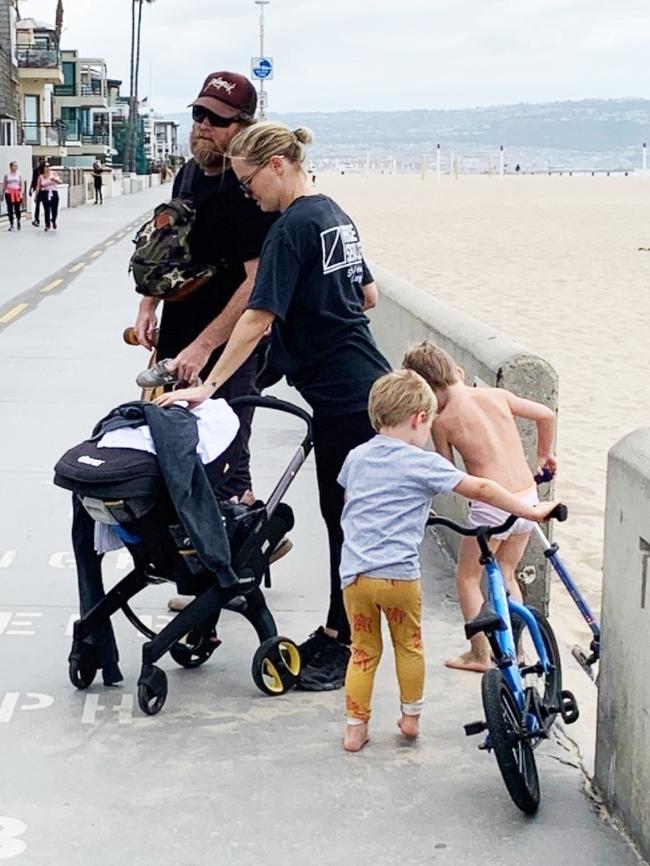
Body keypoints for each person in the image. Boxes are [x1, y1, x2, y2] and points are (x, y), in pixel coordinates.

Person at [155, 120, 390, 691]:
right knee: (347, 520)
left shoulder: (288, 230)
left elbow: (257, 317)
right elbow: (367, 295)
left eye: (249, 180)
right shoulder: (333, 214)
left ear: (278, 166)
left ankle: (347, 643)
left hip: (343, 399)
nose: (247, 193)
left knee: (345, 523)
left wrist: (209, 386)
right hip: (368, 383)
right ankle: (340, 632)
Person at [338, 369, 560, 751]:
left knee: (363, 651)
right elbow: (483, 487)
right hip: (399, 577)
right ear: (420, 419)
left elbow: (353, 505)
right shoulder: (422, 462)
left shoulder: (356, 457)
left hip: (355, 575)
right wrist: (533, 512)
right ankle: (410, 719)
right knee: (408, 646)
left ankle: (355, 729)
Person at [132, 71, 277, 507]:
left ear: (244, 128)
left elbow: (257, 282)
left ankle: (239, 551)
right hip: (179, 338)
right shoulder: (189, 174)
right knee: (174, 451)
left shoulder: (250, 190)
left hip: (230, 347)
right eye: (199, 114)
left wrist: (202, 347)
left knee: (228, 461)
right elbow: (170, 249)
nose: (203, 126)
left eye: (217, 119)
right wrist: (147, 306)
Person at [403, 341, 557, 673]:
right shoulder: (497, 396)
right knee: (505, 573)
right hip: (527, 498)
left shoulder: (442, 422)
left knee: (468, 578)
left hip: (492, 506)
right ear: (455, 370)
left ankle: (479, 654)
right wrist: (544, 455)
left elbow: (445, 472)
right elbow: (546, 415)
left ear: (426, 389)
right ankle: (516, 650)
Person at [36, 164, 61, 231]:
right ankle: (47, 224)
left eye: (48, 167)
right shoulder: (41, 176)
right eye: (45, 167)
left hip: (53, 192)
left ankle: (53, 220)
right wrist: (36, 196)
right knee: (46, 209)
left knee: (54, 209)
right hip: (45, 193)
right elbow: (38, 186)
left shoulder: (53, 173)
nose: (47, 168)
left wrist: (55, 180)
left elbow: (60, 182)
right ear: (43, 168)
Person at [3, 161, 23, 231]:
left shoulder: (19, 174)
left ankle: (18, 221)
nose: (16, 167)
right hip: (8, 193)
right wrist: (2, 194)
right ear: (11, 166)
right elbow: (4, 184)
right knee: (10, 208)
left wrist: (21, 193)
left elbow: (21, 184)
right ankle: (11, 224)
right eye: (14, 166)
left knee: (17, 208)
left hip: (16, 193)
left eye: (16, 166)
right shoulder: (7, 174)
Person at [29, 156, 46, 226]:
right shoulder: (36, 170)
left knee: (46, 206)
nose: (41, 162)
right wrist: (31, 189)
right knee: (37, 205)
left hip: (45, 190)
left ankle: (48, 220)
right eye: (40, 160)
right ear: (39, 161)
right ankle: (36, 220)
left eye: (43, 160)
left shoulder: (46, 170)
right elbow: (33, 180)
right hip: (38, 190)